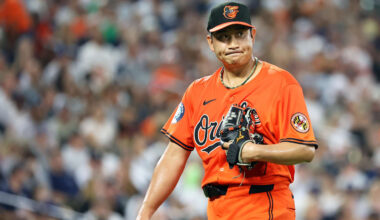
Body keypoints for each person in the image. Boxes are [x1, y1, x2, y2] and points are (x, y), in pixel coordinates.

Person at [137, 2, 318, 220]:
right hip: (217, 208)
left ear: (253, 35)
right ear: (210, 43)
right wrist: (145, 211)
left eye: (240, 34)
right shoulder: (197, 91)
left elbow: (305, 150)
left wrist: (253, 151)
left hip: (264, 204)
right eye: (224, 37)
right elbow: (174, 156)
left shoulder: (281, 83)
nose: (233, 44)